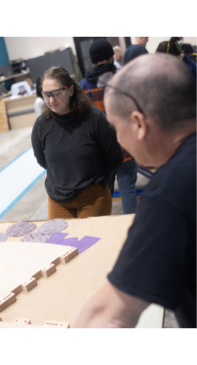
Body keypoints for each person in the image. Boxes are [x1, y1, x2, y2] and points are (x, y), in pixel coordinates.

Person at [76, 54, 195, 328]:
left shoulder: (171, 192)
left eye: (116, 127)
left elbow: (109, 316)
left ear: (139, 124)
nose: (118, 139)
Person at [32, 66, 123, 219]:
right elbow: (43, 160)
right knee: (60, 242)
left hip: (93, 197)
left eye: (56, 93)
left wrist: (93, 179)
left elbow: (114, 157)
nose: (51, 100)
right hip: (58, 199)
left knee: (92, 241)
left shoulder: (95, 119)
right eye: (46, 95)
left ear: (71, 90)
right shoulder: (41, 125)